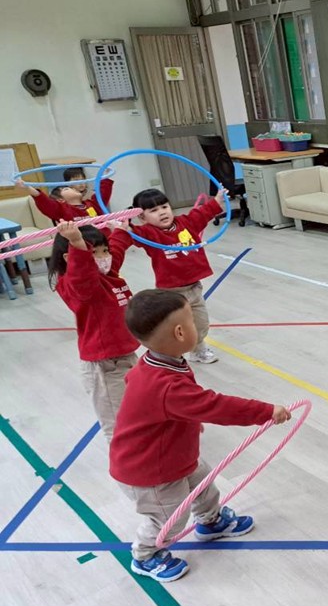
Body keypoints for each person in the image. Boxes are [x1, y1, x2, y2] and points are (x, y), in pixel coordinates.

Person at [109, 289, 292, 582]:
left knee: (204, 484)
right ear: (180, 332)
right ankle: (145, 555)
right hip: (151, 470)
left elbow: (167, 405)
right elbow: (216, 406)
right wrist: (265, 411)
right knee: (168, 517)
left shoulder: (156, 362)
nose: (196, 324)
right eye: (192, 321)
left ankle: (211, 521)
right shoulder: (166, 384)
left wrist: (185, 420)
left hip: (174, 454)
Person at [48, 221, 138, 442]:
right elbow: (82, 275)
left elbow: (116, 252)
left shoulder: (107, 273)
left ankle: (143, 447)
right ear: (71, 259)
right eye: (94, 253)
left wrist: (121, 231)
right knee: (117, 425)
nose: (104, 257)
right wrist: (77, 243)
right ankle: (126, 460)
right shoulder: (77, 285)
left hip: (126, 356)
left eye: (104, 251)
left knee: (135, 410)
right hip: (104, 365)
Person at [130, 187, 225, 364]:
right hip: (171, 292)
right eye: (153, 210)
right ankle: (170, 354)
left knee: (201, 323)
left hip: (194, 287)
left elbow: (204, 213)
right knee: (175, 327)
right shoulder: (149, 233)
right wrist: (123, 225)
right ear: (142, 217)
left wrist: (218, 199)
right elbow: (132, 234)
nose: (162, 212)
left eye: (164, 207)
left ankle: (198, 349)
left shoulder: (186, 222)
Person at [16, 167, 115, 223]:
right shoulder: (62, 210)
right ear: (61, 199)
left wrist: (105, 176)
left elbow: (103, 194)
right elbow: (44, 202)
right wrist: (28, 188)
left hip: (103, 244)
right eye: (67, 188)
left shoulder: (92, 204)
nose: (73, 188)